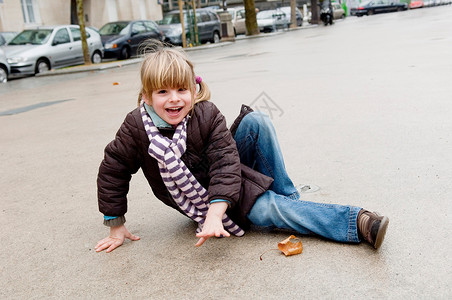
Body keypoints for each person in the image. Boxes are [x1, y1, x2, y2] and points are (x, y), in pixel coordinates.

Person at [95, 42, 389, 253]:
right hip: (196, 196)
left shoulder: (206, 113)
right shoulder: (136, 127)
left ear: (193, 89)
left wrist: (216, 210)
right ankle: (356, 221)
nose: (174, 99)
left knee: (257, 119)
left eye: (181, 90)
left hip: (222, 184)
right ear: (147, 96)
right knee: (266, 211)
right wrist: (115, 222)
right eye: (163, 92)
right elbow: (113, 169)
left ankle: (290, 200)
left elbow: (225, 163)